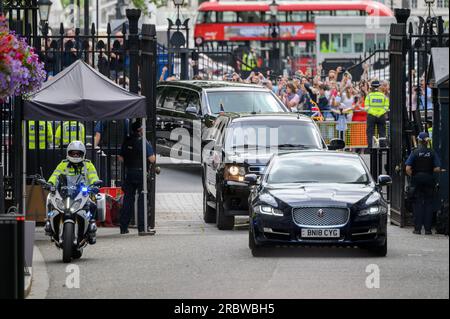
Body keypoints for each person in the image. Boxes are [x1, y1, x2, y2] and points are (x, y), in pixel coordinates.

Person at [46, 141, 100, 244]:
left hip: (83, 193)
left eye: (77, 153)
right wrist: (50, 183)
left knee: (93, 204)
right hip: (66, 192)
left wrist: (95, 184)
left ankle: (91, 228)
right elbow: (55, 175)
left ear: (82, 154)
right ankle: (50, 225)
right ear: (68, 153)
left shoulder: (88, 165)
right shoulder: (63, 164)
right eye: (72, 153)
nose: (75, 155)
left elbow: (93, 177)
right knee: (50, 200)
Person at [118, 121, 156, 235]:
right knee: (142, 200)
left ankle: (123, 227)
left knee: (128, 200)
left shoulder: (127, 141)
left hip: (129, 173)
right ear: (140, 130)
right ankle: (142, 227)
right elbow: (152, 159)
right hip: (141, 173)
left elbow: (120, 158)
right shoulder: (143, 142)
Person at [405, 132, 442, 235]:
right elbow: (437, 168)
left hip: (417, 180)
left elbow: (407, 168)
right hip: (429, 180)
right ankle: (428, 230)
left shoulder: (415, 152)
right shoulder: (432, 152)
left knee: (417, 204)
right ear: (427, 141)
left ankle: (417, 229)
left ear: (419, 141)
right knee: (429, 204)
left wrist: (413, 175)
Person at [365, 80, 389, 148]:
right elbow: (386, 107)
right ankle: (382, 148)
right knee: (382, 132)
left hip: (371, 116)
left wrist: (374, 113)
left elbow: (367, 108)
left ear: (371, 87)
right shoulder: (383, 96)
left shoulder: (369, 96)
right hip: (381, 116)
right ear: (379, 87)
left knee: (370, 133)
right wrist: (379, 113)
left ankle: (370, 148)